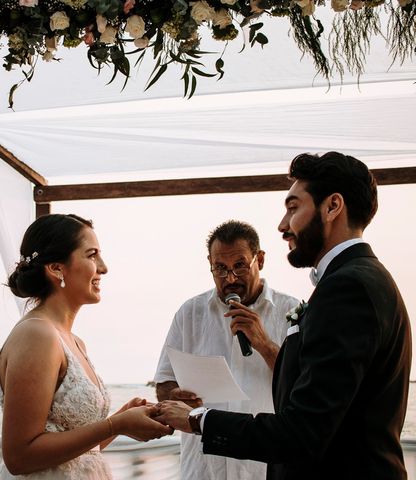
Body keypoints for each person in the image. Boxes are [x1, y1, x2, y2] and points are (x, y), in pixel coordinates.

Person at [155, 152, 412, 479]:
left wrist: (198, 420)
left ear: (332, 206)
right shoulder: (358, 280)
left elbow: (302, 432)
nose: (283, 225)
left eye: (293, 207)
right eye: (219, 267)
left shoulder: (348, 288)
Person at [0, 213, 172, 479]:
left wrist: (122, 421)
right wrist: (115, 424)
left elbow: (79, 452)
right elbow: (19, 456)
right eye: (92, 255)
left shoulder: (74, 341)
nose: (103, 267)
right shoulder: (36, 335)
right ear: (57, 268)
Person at [154, 220, 299, 480]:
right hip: (203, 469)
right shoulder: (190, 313)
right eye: (220, 268)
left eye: (239, 266)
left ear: (260, 260)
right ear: (209, 264)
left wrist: (264, 345)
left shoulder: (291, 311)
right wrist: (175, 394)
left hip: (264, 469)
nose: (230, 279)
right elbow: (164, 383)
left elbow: (303, 386)